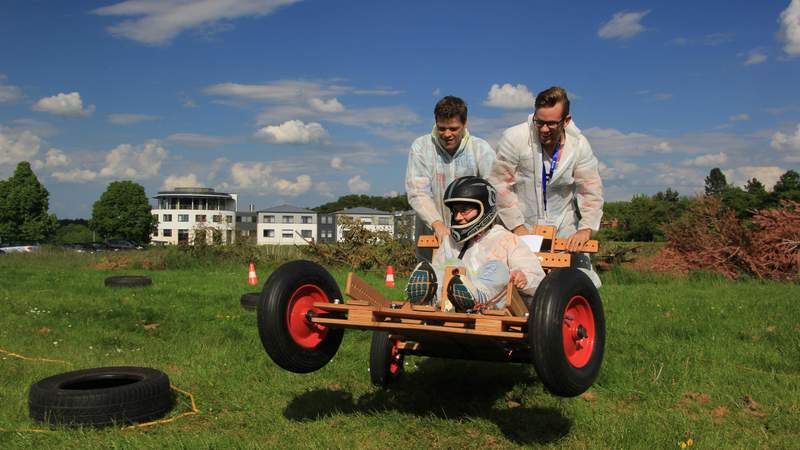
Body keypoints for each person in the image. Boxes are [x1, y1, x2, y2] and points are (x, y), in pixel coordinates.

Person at [488, 86, 603, 285]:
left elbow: (590, 189)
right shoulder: (515, 138)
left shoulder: (580, 146)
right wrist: (517, 227)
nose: (543, 129)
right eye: (539, 122)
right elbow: (500, 185)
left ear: (566, 121)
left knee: (580, 283)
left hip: (564, 226)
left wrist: (585, 229)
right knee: (517, 282)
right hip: (520, 223)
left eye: (551, 124)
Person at [405, 176, 544, 312]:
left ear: (483, 208)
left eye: (464, 210)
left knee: (498, 268)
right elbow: (441, 270)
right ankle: (430, 297)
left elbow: (537, 278)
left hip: (492, 304)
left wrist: (523, 277)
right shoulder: (449, 241)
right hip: (448, 301)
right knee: (452, 267)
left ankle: (476, 296)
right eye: (455, 211)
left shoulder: (506, 239)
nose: (458, 217)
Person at [405, 96, 496, 244]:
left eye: (453, 129)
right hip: (434, 236)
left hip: (474, 237)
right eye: (442, 128)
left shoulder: (480, 149)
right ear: (436, 122)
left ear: (465, 123)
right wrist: (436, 223)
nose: (447, 134)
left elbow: (493, 191)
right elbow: (418, 192)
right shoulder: (421, 147)